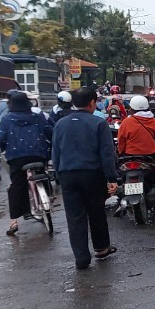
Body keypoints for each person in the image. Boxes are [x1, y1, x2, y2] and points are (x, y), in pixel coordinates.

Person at [52, 88, 118, 270]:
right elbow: (106, 154)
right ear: (91, 103)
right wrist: (111, 177)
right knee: (96, 212)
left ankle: (81, 258)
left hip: (68, 175)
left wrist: (59, 175)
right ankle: (101, 248)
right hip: (92, 174)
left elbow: (55, 153)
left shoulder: (60, 124)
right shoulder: (99, 123)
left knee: (75, 217)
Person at [0, 91, 54, 235]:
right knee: (43, 173)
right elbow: (49, 131)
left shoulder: (7, 119)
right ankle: (49, 196)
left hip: (17, 156)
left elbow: (1, 137)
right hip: (39, 154)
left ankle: (14, 221)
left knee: (17, 185)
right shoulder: (38, 116)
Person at [115, 95, 155, 215]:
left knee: (119, 175)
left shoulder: (127, 122)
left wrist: (121, 154)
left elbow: (121, 141)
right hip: (151, 156)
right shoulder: (152, 121)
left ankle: (120, 200)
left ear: (131, 108)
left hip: (129, 156)